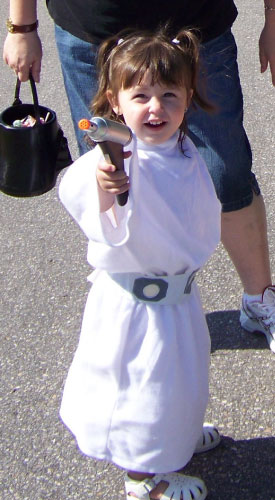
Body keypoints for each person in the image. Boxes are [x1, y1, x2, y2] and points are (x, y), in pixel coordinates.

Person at [3, 1, 275, 354]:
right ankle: (133, 316)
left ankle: (258, 299)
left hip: (198, 30)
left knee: (226, 174)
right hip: (92, 32)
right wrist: (22, 27)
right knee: (112, 183)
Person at [58, 27, 221, 499]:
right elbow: (88, 187)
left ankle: (174, 438)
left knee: (180, 382)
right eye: (141, 95)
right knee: (142, 388)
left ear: (188, 100)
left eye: (169, 95)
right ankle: (143, 476)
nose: (156, 108)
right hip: (137, 308)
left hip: (179, 300)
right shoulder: (120, 157)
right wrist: (106, 183)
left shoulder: (182, 148)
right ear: (115, 102)